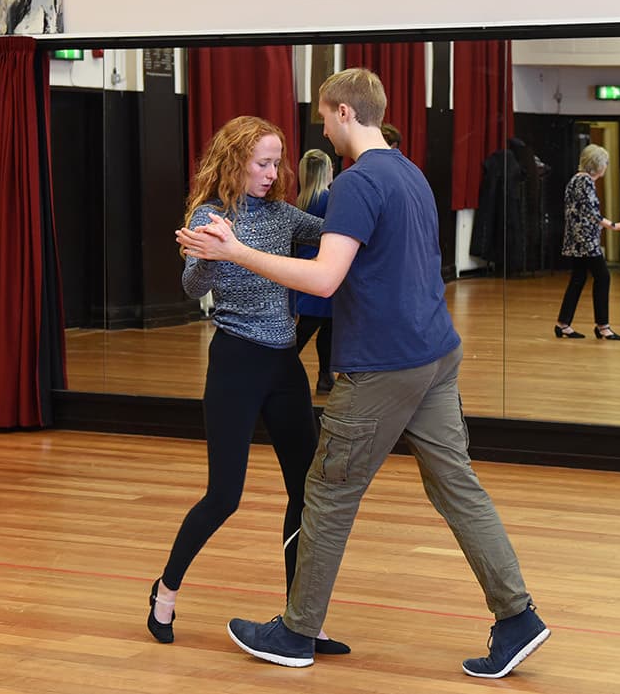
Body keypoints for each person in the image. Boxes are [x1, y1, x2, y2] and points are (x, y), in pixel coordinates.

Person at [177, 67, 548, 679]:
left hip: (383, 366)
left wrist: (235, 251)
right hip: (436, 354)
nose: (320, 126)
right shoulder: (411, 173)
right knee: (458, 487)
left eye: (324, 115)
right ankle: (517, 617)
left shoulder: (356, 184)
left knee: (327, 491)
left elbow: (324, 279)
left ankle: (295, 634)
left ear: (344, 114)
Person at [150, 116, 347, 656]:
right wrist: (212, 255)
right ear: (234, 162)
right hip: (236, 363)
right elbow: (192, 287)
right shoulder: (211, 216)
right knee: (224, 496)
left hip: (285, 367)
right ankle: (165, 589)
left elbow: (334, 230)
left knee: (305, 494)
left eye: (276, 161)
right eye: (262, 162)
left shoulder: (283, 215)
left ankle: (300, 617)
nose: (272, 172)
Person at [554, 144, 620, 340]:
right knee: (603, 277)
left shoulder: (575, 180)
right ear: (598, 166)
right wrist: (614, 225)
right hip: (585, 240)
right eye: (605, 163)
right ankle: (603, 327)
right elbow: (591, 212)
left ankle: (563, 324)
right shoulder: (585, 182)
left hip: (575, 239)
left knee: (578, 278)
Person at [293, 148, 336, 393]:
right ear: (325, 171)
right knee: (312, 329)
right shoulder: (329, 199)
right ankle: (320, 375)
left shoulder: (302, 200)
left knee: (321, 327)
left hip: (306, 272)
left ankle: (325, 377)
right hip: (321, 271)